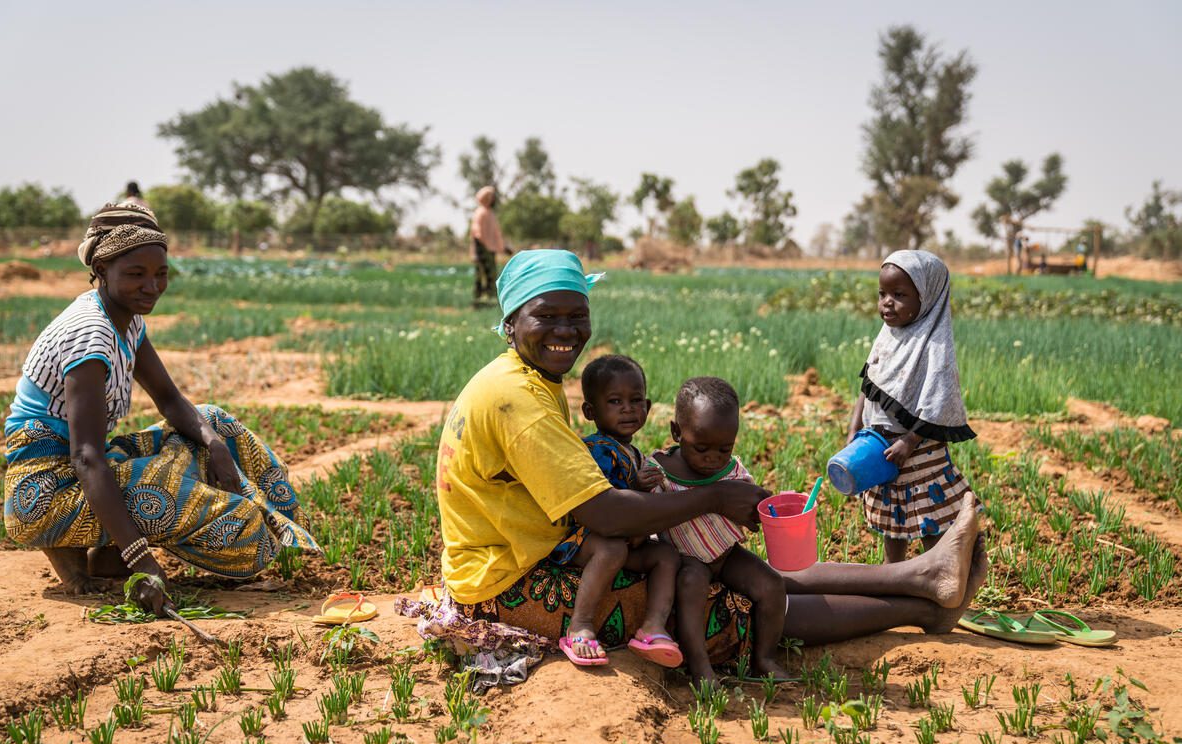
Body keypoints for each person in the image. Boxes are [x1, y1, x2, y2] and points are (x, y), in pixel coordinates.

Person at [402, 249, 987, 680]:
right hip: (509, 582)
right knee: (721, 603)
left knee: (744, 573)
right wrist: (709, 497)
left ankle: (919, 578)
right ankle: (919, 602)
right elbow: (605, 513)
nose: (565, 331)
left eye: (575, 315)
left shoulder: (526, 380)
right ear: (511, 322)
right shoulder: (519, 399)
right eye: (546, 317)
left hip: (536, 548)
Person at [3, 203, 318, 615]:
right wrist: (143, 562)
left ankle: (106, 549)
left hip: (82, 469)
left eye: (160, 274)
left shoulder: (126, 318)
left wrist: (214, 444)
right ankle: (73, 542)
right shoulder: (90, 337)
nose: (151, 286)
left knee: (214, 422)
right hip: (43, 492)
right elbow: (85, 458)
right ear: (101, 268)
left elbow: (169, 399)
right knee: (230, 530)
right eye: (136, 274)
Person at [650, 377, 789, 684]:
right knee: (691, 585)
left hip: (726, 554)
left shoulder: (732, 470)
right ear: (676, 432)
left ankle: (764, 658)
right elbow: (647, 515)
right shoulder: (660, 472)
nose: (712, 458)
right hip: (687, 558)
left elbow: (755, 503)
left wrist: (768, 508)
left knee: (772, 584)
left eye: (724, 449)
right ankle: (700, 666)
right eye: (701, 448)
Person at [549, 354, 682, 667]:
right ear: (590, 411)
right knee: (611, 551)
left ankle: (653, 626)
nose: (627, 409)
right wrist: (637, 487)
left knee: (666, 556)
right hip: (586, 539)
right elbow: (606, 509)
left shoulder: (634, 452)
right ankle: (579, 625)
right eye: (615, 401)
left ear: (648, 408)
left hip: (626, 540)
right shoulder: (596, 450)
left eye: (636, 400)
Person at [848, 250, 976, 564]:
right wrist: (854, 428)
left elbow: (938, 403)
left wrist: (909, 440)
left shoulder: (934, 348)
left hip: (918, 453)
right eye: (882, 294)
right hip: (879, 447)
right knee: (892, 521)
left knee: (928, 517)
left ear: (927, 298)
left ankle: (937, 573)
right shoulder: (886, 337)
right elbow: (868, 386)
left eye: (899, 295)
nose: (886, 302)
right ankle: (895, 575)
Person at [469, 186, 511, 307]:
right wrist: (478, 252)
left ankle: (490, 299)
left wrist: (503, 247)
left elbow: (495, 234)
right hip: (482, 250)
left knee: (491, 275)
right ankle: (480, 300)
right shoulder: (480, 213)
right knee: (482, 275)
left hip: (489, 249)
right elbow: (477, 234)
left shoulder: (490, 213)